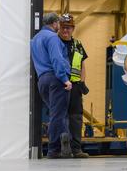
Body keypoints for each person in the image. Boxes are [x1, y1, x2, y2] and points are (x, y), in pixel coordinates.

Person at [30, 11, 73, 159]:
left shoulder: (34, 40)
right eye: (58, 24)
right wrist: (64, 79)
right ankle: (54, 149)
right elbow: (57, 59)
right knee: (57, 115)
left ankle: (65, 141)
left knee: (57, 114)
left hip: (42, 80)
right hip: (56, 79)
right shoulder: (53, 38)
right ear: (54, 23)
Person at [57, 15, 90, 159]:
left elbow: (82, 65)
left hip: (75, 87)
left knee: (76, 118)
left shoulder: (78, 44)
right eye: (63, 27)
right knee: (59, 118)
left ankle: (76, 149)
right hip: (59, 86)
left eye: (68, 27)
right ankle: (60, 149)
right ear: (59, 27)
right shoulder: (54, 42)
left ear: (73, 29)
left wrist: (82, 82)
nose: (65, 30)